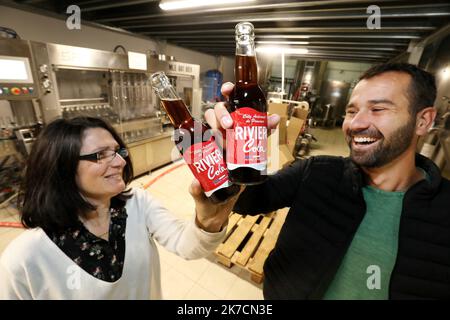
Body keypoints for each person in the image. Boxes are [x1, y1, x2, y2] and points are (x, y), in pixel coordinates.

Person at [205, 62, 450, 299]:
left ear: (423, 121)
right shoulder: (316, 172)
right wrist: (230, 156)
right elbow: (247, 202)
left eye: (378, 109)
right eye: (351, 111)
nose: (356, 124)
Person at [0, 116, 241, 299]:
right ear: (61, 168)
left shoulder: (136, 203)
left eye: (117, 151)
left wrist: (208, 222)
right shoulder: (25, 257)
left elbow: (187, 246)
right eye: (100, 155)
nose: (120, 161)